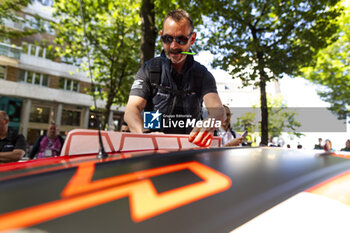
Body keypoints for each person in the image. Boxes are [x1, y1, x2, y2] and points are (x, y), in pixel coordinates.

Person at [124, 9, 225, 147]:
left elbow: (219, 112)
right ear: (161, 36)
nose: (173, 46)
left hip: (190, 150)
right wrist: (144, 135)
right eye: (167, 39)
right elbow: (131, 110)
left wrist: (210, 122)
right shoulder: (148, 69)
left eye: (181, 39)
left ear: (192, 39)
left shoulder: (202, 74)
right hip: (153, 150)